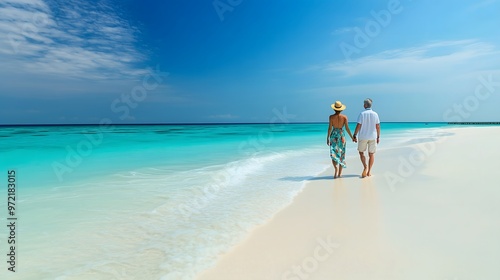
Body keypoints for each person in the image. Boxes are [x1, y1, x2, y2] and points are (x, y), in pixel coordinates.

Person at [353, 98, 380, 178]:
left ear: (365, 105)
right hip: (373, 136)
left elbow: (359, 125)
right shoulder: (375, 114)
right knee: (371, 154)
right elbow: (377, 126)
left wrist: (354, 135)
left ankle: (365, 166)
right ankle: (369, 172)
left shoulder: (362, 114)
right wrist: (378, 136)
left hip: (363, 136)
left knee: (361, 152)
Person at [327, 101, 354, 178]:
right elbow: (347, 128)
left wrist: (328, 138)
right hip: (341, 135)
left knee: (333, 153)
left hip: (334, 135)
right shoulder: (344, 117)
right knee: (342, 154)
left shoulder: (331, 117)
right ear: (341, 109)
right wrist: (352, 137)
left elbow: (329, 128)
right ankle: (340, 174)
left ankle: (335, 169)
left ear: (334, 109)